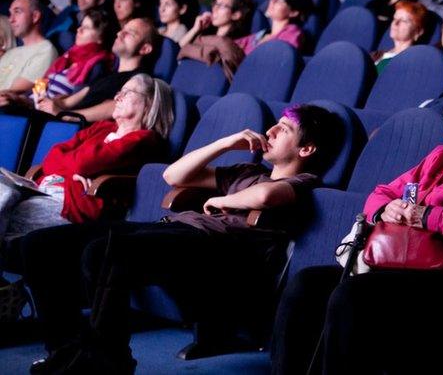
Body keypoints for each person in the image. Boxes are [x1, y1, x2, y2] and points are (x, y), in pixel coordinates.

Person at [20, 103, 338, 373]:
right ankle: (64, 351)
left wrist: (223, 201)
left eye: (283, 129)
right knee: (40, 245)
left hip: (219, 247)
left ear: (305, 149)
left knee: (105, 251)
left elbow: (268, 196)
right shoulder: (244, 171)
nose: (269, 131)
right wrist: (226, 144)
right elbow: (173, 176)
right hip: (175, 227)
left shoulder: (306, 180)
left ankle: (107, 358)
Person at [270, 76, 443, 375]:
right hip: (395, 261)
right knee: (306, 284)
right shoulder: (442, 157)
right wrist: (386, 209)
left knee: (351, 296)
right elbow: (382, 193)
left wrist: (429, 217)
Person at [0, 73, 170, 243]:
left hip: (69, 204)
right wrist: (72, 171)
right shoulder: (103, 127)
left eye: (128, 92)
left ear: (149, 104)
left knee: (7, 207)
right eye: (119, 91)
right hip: (41, 189)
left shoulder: (142, 139)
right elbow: (51, 157)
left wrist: (72, 166)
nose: (118, 97)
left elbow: (81, 163)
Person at [35, 18, 159, 123]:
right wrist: (47, 103)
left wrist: (64, 115)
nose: (119, 33)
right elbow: (68, 102)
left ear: (145, 49)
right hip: (64, 121)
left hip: (76, 128)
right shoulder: (107, 75)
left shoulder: (140, 79)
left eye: (130, 33)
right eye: (122, 29)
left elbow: (115, 107)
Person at [5, 7, 116, 106]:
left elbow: (75, 102)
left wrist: (24, 102)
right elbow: (40, 87)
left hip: (45, 114)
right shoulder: (68, 56)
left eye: (86, 28)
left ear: (100, 38)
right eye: (80, 26)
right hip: (32, 104)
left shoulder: (96, 65)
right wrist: (21, 99)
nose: (79, 30)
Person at [0, 0, 58, 94]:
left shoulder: (45, 51)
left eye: (17, 12)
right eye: (10, 13)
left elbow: (11, 93)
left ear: (35, 16)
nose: (11, 19)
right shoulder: (12, 52)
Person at [236, 0, 310, 55]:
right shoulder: (262, 34)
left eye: (279, 0)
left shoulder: (293, 34)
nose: (272, 1)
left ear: (293, 12)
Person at [179, 0, 252, 48]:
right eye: (215, 4)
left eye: (221, 6)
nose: (215, 9)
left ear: (236, 15)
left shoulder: (236, 44)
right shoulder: (207, 34)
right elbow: (178, 49)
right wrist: (195, 29)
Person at [371, 0, 428, 73]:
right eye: (394, 19)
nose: (395, 23)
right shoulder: (376, 55)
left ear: (418, 31)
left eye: (403, 21)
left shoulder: (412, 63)